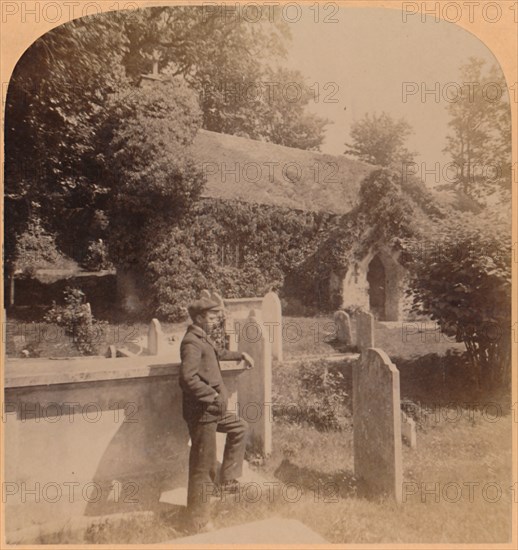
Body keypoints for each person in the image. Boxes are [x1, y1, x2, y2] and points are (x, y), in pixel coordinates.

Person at [179, 297, 254, 533]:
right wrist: (211, 396)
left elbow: (217, 353)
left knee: (239, 427)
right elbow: (187, 378)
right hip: (203, 413)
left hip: (213, 411)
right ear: (200, 318)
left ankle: (228, 481)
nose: (216, 320)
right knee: (204, 466)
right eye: (212, 317)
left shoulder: (203, 337)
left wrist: (240, 354)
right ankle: (198, 521)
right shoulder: (191, 342)